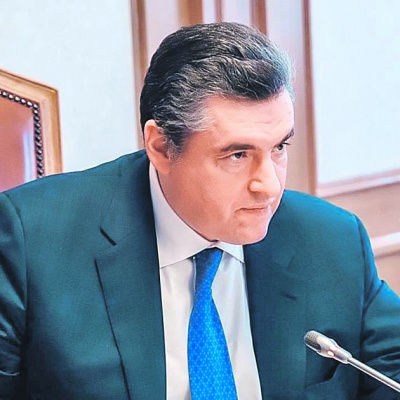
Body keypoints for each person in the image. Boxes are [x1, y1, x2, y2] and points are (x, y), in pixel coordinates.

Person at [0, 22, 399, 400]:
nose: (270, 186)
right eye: (238, 155)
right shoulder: (33, 242)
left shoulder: (332, 241)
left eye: (279, 148)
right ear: (161, 147)